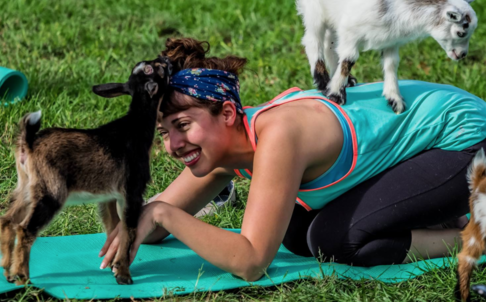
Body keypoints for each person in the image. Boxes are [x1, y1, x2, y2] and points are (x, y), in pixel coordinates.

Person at [99, 38, 486, 281]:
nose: (173, 144)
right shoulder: (227, 146)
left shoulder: (279, 135)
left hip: (467, 139)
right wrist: (133, 215)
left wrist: (161, 213)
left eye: (183, 125)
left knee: (335, 239)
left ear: (228, 114)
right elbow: (155, 226)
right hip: (426, 144)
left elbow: (251, 262)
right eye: (165, 133)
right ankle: (444, 214)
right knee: (296, 232)